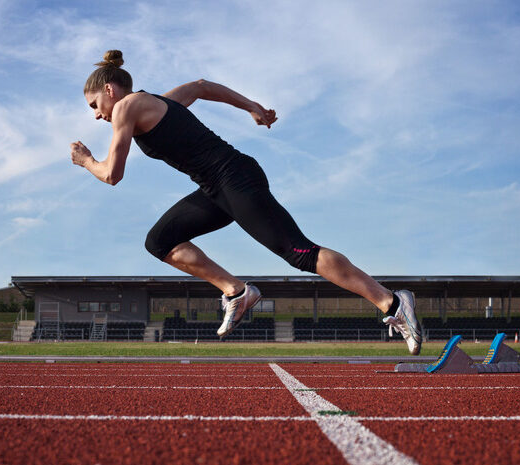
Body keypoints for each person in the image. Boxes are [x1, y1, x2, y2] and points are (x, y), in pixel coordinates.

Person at [70, 50, 422, 354]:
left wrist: (86, 160)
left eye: (95, 105)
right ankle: (236, 292)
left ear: (109, 90)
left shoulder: (125, 108)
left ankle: (391, 302)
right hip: (216, 190)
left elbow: (112, 174)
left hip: (235, 180)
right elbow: (202, 86)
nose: (97, 115)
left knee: (300, 253)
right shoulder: (161, 102)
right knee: (159, 242)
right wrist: (252, 106)